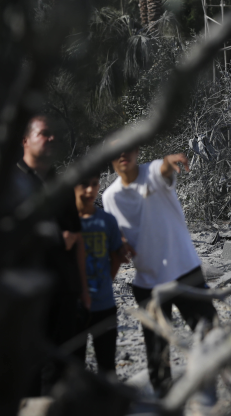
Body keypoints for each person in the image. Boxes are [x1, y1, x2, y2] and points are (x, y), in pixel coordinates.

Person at [102, 149, 222, 396]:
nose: (122, 155)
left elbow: (164, 167)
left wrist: (171, 161)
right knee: (158, 354)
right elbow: (119, 238)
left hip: (185, 272)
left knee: (212, 338)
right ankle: (164, 404)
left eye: (127, 149)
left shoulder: (152, 172)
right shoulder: (110, 197)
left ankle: (224, 397)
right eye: (116, 152)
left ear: (136, 151)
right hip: (148, 283)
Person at [10, 115, 91, 395]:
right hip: (27, 297)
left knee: (65, 367)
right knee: (28, 372)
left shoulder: (62, 185)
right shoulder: (10, 185)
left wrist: (83, 289)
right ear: (25, 140)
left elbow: (77, 239)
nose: (51, 139)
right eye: (43, 134)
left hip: (65, 292)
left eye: (53, 134)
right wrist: (55, 238)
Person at [73, 172, 128, 375]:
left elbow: (116, 257)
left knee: (107, 366)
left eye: (95, 184)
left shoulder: (107, 221)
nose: (90, 190)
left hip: (104, 305)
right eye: (84, 184)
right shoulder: (65, 223)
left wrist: (105, 283)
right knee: (72, 368)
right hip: (73, 307)